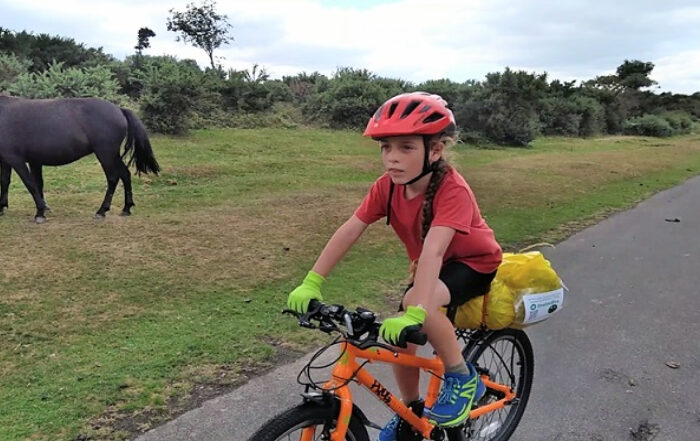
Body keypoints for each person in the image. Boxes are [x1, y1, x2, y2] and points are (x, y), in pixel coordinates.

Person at [286, 92, 502, 439]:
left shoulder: (452, 189)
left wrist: (418, 307)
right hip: (431, 267)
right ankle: (412, 409)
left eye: (405, 147)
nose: (392, 158)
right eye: (386, 148)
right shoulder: (387, 187)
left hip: (472, 263)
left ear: (436, 149)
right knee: (402, 338)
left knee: (417, 304)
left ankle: (463, 377)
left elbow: (433, 250)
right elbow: (350, 229)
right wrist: (312, 280)